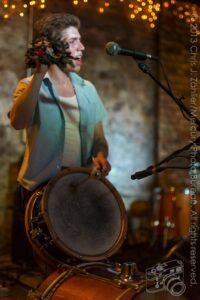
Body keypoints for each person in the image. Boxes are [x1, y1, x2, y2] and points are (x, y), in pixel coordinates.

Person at [9, 13, 110, 209]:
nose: (82, 47)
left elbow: (99, 140)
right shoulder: (28, 86)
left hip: (78, 186)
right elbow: (17, 122)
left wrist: (101, 155)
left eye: (80, 41)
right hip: (37, 188)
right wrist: (39, 73)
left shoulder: (88, 89)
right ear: (54, 49)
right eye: (73, 41)